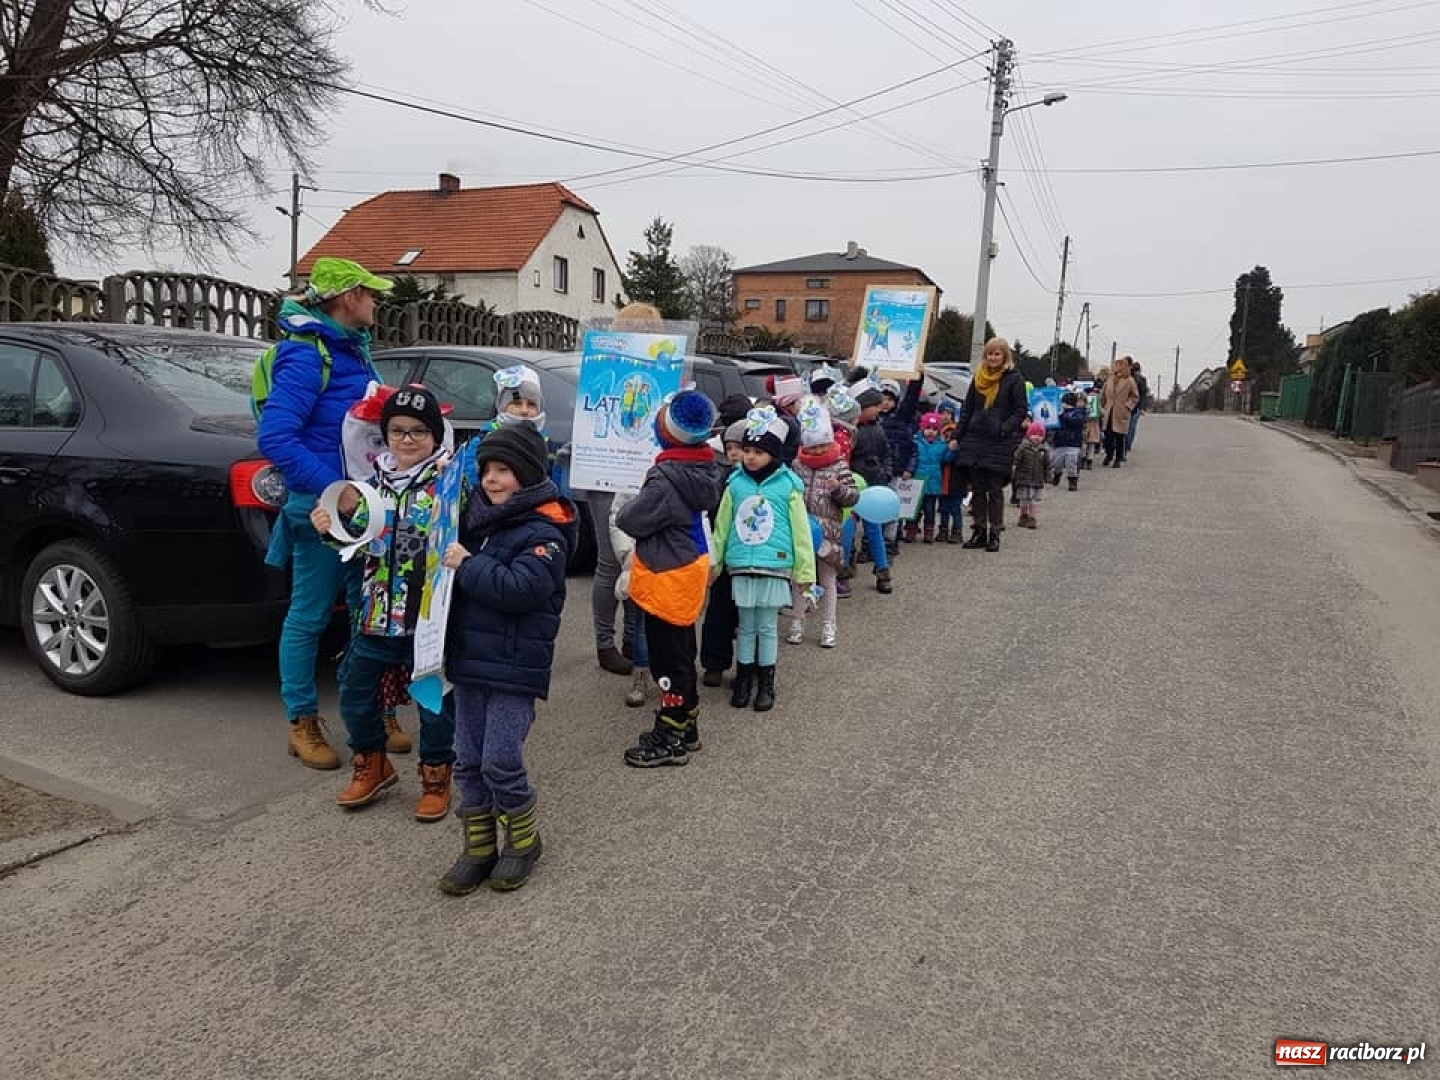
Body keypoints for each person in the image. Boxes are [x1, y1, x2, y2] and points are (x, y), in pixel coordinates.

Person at [258, 256, 394, 771]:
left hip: (363, 507)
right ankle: (302, 721)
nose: (376, 302)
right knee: (310, 616)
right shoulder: (305, 356)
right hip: (320, 508)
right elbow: (275, 437)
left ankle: (369, 710)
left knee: (369, 611)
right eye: (370, 293)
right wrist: (333, 490)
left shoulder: (354, 351)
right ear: (348, 298)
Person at [437, 423, 578, 895]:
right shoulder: (475, 519)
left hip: (515, 667)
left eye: (504, 470)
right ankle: (478, 847)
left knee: (500, 758)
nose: (492, 479)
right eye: (486, 470)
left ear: (527, 474)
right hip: (470, 661)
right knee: (468, 760)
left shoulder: (546, 530)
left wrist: (468, 564)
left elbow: (523, 589)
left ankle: (523, 839)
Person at [308, 384, 457, 818]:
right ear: (384, 435)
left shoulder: (448, 484)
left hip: (426, 621)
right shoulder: (369, 487)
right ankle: (372, 764)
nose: (407, 440)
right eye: (396, 431)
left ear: (435, 434)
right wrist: (327, 525)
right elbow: (351, 537)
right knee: (355, 694)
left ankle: (435, 773)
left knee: (433, 704)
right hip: (374, 616)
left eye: (417, 431)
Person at [617, 390, 720, 768]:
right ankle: (687, 724)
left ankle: (670, 734)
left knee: (667, 661)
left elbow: (631, 519)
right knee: (681, 651)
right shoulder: (702, 468)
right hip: (687, 565)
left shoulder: (665, 478)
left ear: (666, 432)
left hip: (667, 573)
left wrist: (631, 505)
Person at [582, 302, 666, 680]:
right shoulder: (600, 367)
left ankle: (633, 639)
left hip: (643, 473)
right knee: (608, 561)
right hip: (605, 473)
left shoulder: (664, 371)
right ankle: (605, 644)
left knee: (639, 558)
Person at [713, 406, 816, 704]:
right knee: (745, 626)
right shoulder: (735, 484)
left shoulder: (788, 486)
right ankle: (743, 678)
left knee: (767, 626)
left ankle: (766, 682)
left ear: (773, 453)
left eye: (758, 451)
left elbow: (801, 532)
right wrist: (715, 562)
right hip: (741, 564)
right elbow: (722, 526)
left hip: (774, 564)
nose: (751, 457)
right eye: (747, 450)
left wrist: (805, 572)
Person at [786, 397, 855, 650]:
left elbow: (853, 497)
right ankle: (798, 620)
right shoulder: (796, 465)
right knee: (801, 578)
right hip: (802, 530)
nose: (816, 452)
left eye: (821, 446)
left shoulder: (839, 466)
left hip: (828, 532)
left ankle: (829, 624)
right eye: (811, 447)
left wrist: (838, 490)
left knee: (827, 579)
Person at [949, 337, 1029, 552]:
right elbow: (967, 409)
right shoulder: (978, 378)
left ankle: (995, 532)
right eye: (990, 354)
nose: (993, 358)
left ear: (1004, 356)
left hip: (998, 441)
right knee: (977, 489)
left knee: (994, 489)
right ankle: (979, 530)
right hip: (975, 439)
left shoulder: (1014, 379)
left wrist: (1004, 428)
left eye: (997, 354)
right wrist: (957, 435)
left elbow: (1021, 409)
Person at [700, 415, 746, 687]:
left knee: (748, 615)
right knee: (719, 610)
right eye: (729, 449)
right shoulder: (724, 479)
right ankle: (714, 662)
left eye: (739, 447)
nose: (735, 454)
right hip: (725, 552)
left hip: (751, 555)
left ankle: (747, 666)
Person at [848, 379, 895, 592]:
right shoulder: (851, 431)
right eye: (874, 406)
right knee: (847, 528)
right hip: (853, 485)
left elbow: (886, 453)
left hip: (874, 484)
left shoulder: (879, 428)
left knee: (874, 529)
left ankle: (882, 570)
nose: (879, 409)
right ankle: (845, 566)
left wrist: (886, 472)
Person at [904, 411, 948, 543]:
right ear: (922, 429)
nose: (931, 432)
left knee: (930, 510)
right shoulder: (915, 443)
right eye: (928, 428)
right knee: (914, 510)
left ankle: (928, 531)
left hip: (933, 482)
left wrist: (951, 449)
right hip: (917, 481)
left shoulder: (941, 446)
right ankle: (911, 530)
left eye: (935, 429)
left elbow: (946, 459)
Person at [1102, 356, 1141, 467]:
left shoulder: (1129, 380)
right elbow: (1103, 394)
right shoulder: (1110, 379)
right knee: (1108, 435)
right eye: (1116, 365)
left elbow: (1135, 396)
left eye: (1120, 365)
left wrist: (1127, 406)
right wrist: (1102, 407)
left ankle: (1118, 459)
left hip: (1120, 411)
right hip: (1109, 411)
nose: (1117, 367)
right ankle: (1108, 455)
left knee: (1119, 436)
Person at [1012, 421, 1050, 529]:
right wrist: (1013, 469)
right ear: (1029, 435)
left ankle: (1032, 518)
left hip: (1037, 479)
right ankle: (1023, 515)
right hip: (1023, 478)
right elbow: (1016, 459)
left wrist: (1048, 477)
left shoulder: (1044, 450)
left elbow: (1047, 465)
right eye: (1034, 435)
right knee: (1023, 499)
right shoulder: (1023, 447)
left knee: (1033, 500)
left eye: (1040, 435)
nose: (1037, 438)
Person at [1051, 392, 1087, 491]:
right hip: (1060, 442)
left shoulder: (1078, 412)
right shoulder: (1059, 412)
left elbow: (1077, 422)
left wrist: (1063, 415)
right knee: (1057, 462)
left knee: (1072, 463)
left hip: (1073, 442)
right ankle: (1057, 474)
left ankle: (1072, 481)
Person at [1083, 374, 1105, 469]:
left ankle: (1083, 460)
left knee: (1084, 445)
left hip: (1084, 426)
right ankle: (1089, 461)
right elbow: (1102, 413)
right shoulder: (1098, 402)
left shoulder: (1084, 401)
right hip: (1094, 426)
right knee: (1091, 445)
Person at [1127, 361, 1150, 455]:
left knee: (1130, 426)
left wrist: (1142, 407)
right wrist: (1143, 408)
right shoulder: (1137, 379)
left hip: (1133, 406)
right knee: (1131, 426)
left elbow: (1143, 394)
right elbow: (1144, 394)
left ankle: (1127, 444)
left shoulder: (1134, 379)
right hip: (1135, 406)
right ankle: (1127, 444)